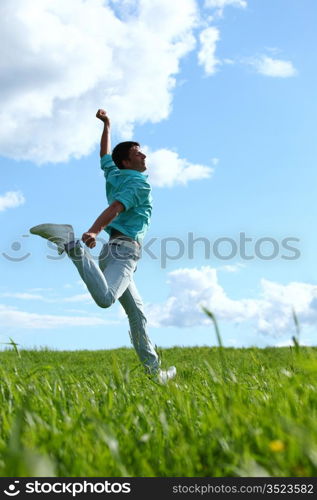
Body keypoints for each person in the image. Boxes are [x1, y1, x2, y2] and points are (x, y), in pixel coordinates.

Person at [30, 109, 176, 384]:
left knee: (138, 314)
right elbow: (116, 208)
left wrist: (108, 125)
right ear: (127, 161)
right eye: (138, 153)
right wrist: (94, 230)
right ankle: (71, 245)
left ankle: (154, 373)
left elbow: (104, 156)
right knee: (106, 299)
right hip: (123, 253)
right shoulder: (137, 183)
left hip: (113, 254)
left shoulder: (115, 174)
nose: (144, 156)